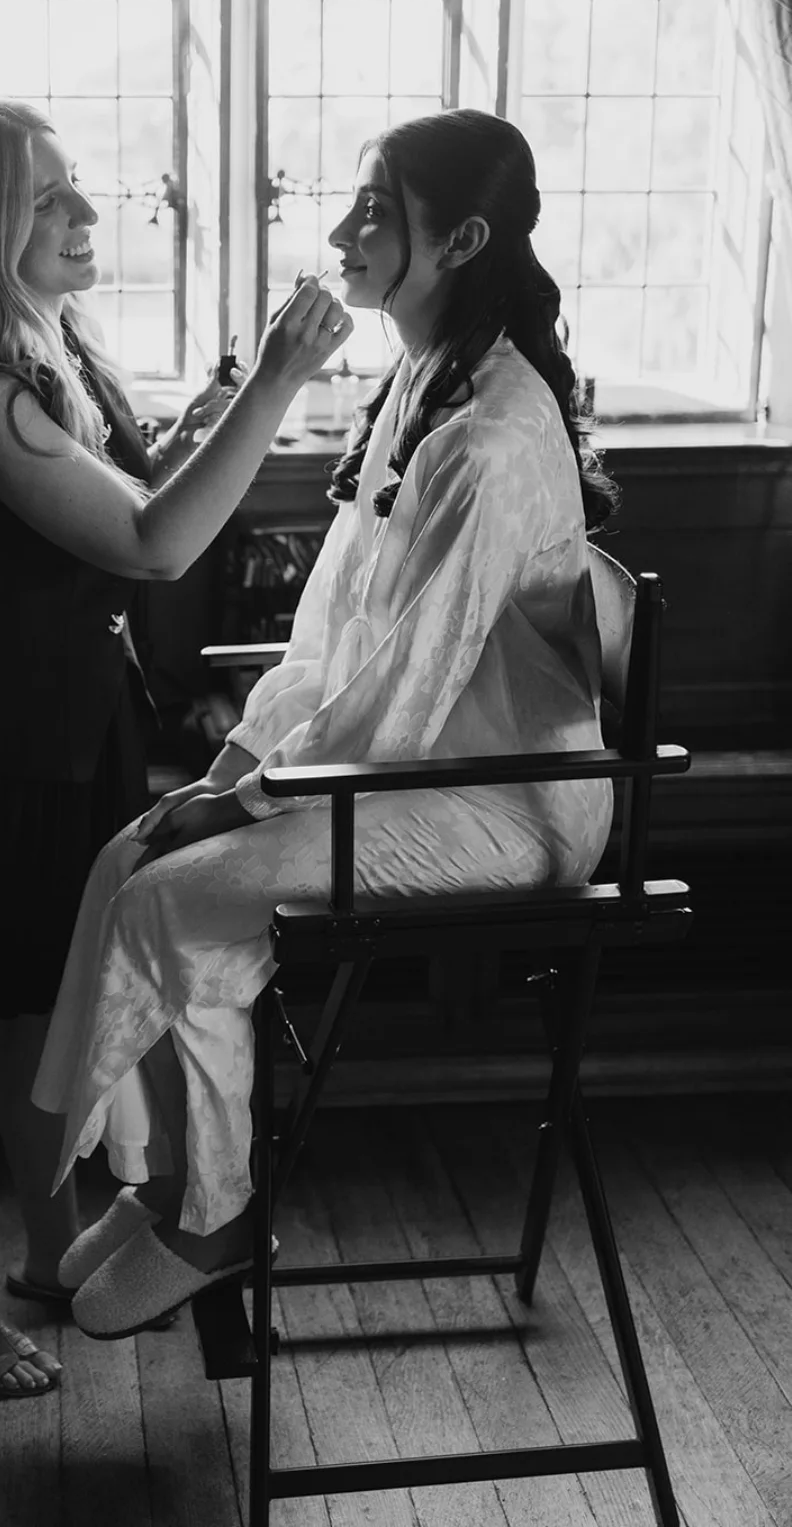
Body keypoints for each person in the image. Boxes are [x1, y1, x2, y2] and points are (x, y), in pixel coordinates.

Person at [31, 107, 620, 1339]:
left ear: (460, 240)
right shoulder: (418, 378)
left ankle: (220, 1210)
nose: (346, 230)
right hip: (412, 766)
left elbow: (401, 695)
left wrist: (239, 799)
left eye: (378, 209)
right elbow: (335, 639)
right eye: (354, 200)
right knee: (121, 858)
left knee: (170, 896)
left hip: (504, 797)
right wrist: (237, 767)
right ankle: (171, 1180)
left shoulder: (494, 433)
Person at [0, 95, 353, 1400]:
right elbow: (153, 547)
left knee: (38, 998)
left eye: (82, 191)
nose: (88, 216)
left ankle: (48, 1252)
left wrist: (209, 411)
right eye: (53, 199)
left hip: (69, 723)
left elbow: (132, 505)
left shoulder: (54, 348)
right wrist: (276, 383)